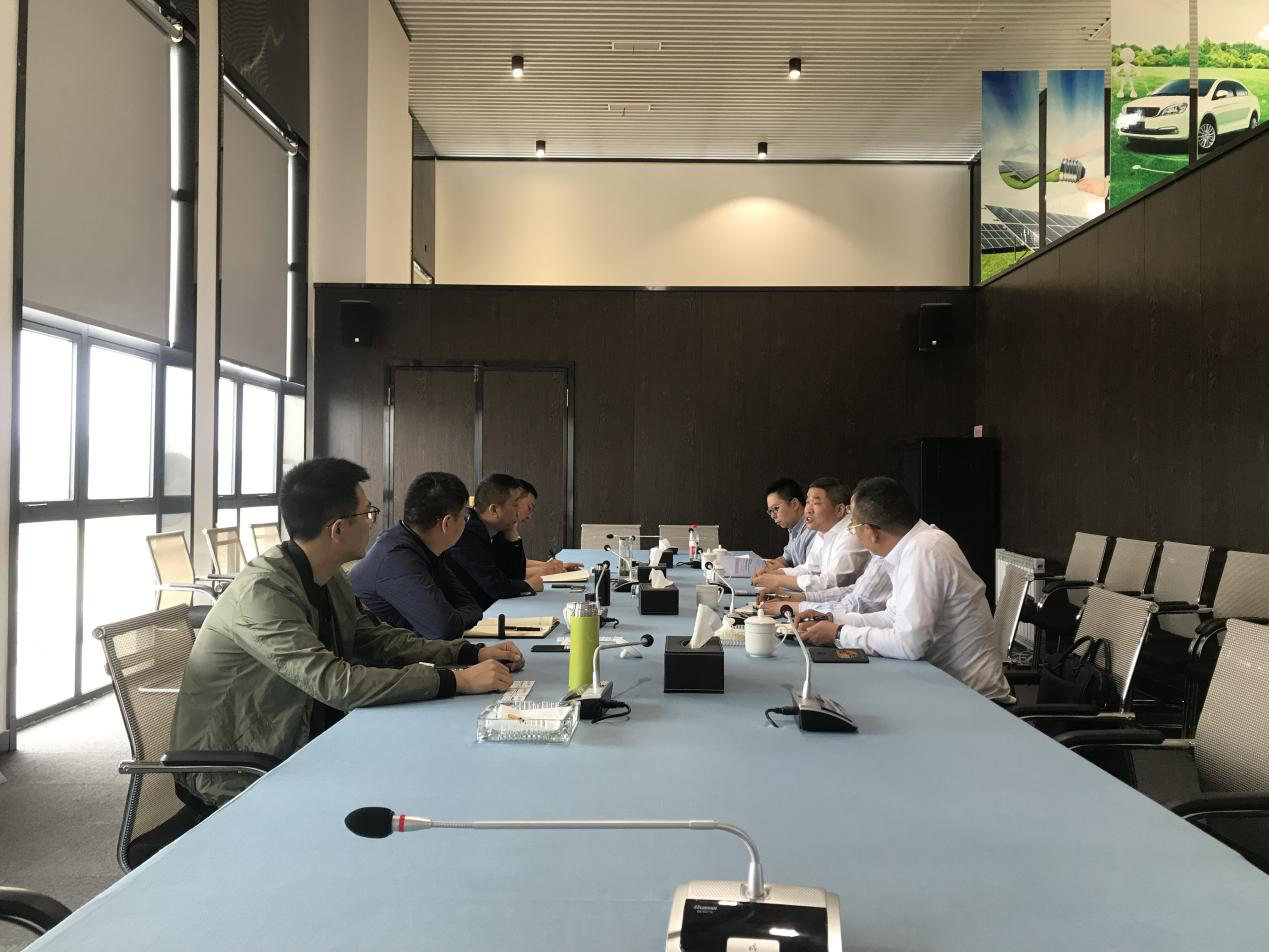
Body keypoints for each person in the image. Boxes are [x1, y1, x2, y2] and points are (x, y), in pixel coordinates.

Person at [170, 458, 524, 809]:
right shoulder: (263, 593)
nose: (372, 522)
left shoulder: (328, 576)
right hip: (241, 768)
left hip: (305, 740)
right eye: (367, 513)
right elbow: (336, 683)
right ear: (338, 529)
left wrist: (467, 654)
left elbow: (377, 638)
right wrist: (456, 681)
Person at [793, 476, 1011, 701]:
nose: (853, 533)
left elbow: (909, 644)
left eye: (853, 527)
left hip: (973, 699)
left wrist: (839, 633)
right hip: (942, 684)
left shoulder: (923, 552)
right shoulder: (915, 545)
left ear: (871, 532)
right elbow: (892, 617)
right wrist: (833, 619)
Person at [348, 471, 484, 640]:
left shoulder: (423, 547)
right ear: (447, 523)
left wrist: (453, 619)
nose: (466, 523)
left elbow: (471, 607)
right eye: (465, 517)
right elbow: (445, 630)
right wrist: (452, 619)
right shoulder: (397, 557)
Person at [750, 477, 869, 595]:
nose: (808, 510)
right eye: (808, 502)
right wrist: (777, 573)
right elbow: (808, 569)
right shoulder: (822, 531)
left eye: (816, 503)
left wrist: (779, 580)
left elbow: (830, 583)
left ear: (839, 510)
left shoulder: (851, 533)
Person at [446, 473, 540, 608]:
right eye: (515, 505)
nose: (518, 512)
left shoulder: (496, 531)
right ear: (494, 510)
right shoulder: (466, 533)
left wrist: (511, 533)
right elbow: (497, 587)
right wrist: (529, 585)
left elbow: (515, 577)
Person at [492, 478, 582, 586]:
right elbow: (505, 574)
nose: (529, 517)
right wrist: (544, 571)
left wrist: (553, 566)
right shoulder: (491, 531)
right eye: (529, 508)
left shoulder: (508, 529)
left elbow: (520, 563)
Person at [755, 478, 814, 574]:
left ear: (794, 504)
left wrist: (782, 571)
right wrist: (767, 565)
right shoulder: (794, 528)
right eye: (770, 511)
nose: (773, 516)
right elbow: (787, 559)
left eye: (775, 508)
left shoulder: (813, 531)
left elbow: (811, 575)